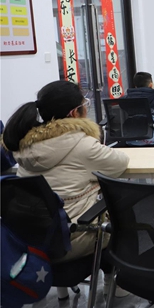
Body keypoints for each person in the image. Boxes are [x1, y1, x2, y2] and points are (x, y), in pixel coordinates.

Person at [2, 81, 129, 295]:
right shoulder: (82, 144)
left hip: (31, 240)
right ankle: (115, 284)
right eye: (84, 104)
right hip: (72, 239)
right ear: (74, 113)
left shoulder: (24, 145)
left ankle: (64, 293)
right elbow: (119, 164)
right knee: (122, 214)